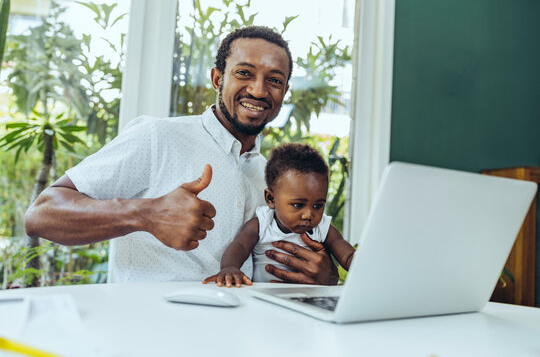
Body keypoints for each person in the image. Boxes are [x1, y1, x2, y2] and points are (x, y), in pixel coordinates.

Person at [24, 26, 339, 284]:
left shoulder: (271, 179)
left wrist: (325, 277)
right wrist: (145, 214)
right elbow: (42, 214)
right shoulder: (157, 137)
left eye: (274, 80)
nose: (258, 90)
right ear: (218, 79)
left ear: (284, 92)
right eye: (244, 73)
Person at [203, 143, 355, 287]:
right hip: (267, 299)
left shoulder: (322, 227)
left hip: (309, 299)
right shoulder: (262, 223)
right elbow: (240, 246)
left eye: (318, 206)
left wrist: (363, 265)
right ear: (271, 199)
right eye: (298, 205)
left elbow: (347, 256)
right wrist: (230, 267)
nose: (309, 215)